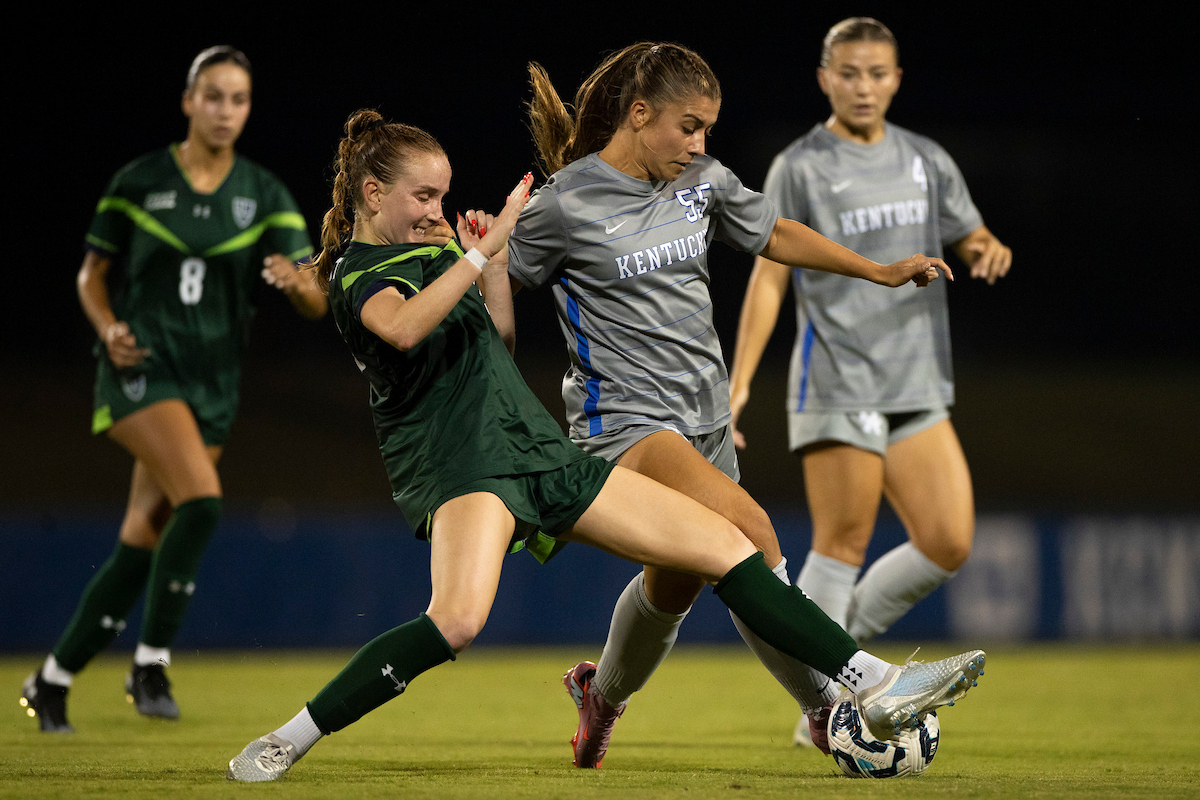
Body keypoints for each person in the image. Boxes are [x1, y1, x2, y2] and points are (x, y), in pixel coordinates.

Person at [225, 109, 985, 782]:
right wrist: (479, 257)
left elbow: (497, 346)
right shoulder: (358, 271)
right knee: (456, 620)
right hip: (465, 467)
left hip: (538, 450)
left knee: (727, 543)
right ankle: (290, 738)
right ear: (371, 193)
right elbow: (401, 328)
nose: (436, 211)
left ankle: (873, 681)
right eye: (423, 196)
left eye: (442, 195)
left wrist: (492, 267)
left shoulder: (437, 257)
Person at [507, 41, 959, 766]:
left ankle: (602, 697)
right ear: (639, 113)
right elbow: (497, 291)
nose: (699, 144)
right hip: (625, 423)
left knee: (676, 583)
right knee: (748, 535)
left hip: (706, 419)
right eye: (687, 127)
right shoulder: (564, 203)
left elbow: (774, 233)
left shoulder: (702, 181)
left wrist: (876, 271)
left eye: (707, 129)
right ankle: (834, 705)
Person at [19, 45, 327, 734]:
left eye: (238, 99)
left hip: (213, 381)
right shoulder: (140, 180)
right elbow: (90, 275)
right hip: (143, 368)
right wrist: (107, 327)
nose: (225, 110)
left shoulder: (263, 192)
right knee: (203, 501)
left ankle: (53, 679)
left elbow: (314, 295)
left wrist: (296, 283)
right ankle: (151, 663)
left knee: (143, 536)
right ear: (188, 100)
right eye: (213, 96)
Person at [725, 18, 1012, 747]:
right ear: (825, 78)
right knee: (843, 543)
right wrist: (740, 381)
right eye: (848, 73)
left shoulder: (925, 159)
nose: (863, 87)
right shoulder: (800, 165)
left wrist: (985, 247)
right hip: (838, 376)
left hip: (917, 380)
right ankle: (827, 709)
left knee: (947, 540)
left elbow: (968, 232)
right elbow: (769, 278)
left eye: (877, 73)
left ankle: (831, 669)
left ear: (897, 79)